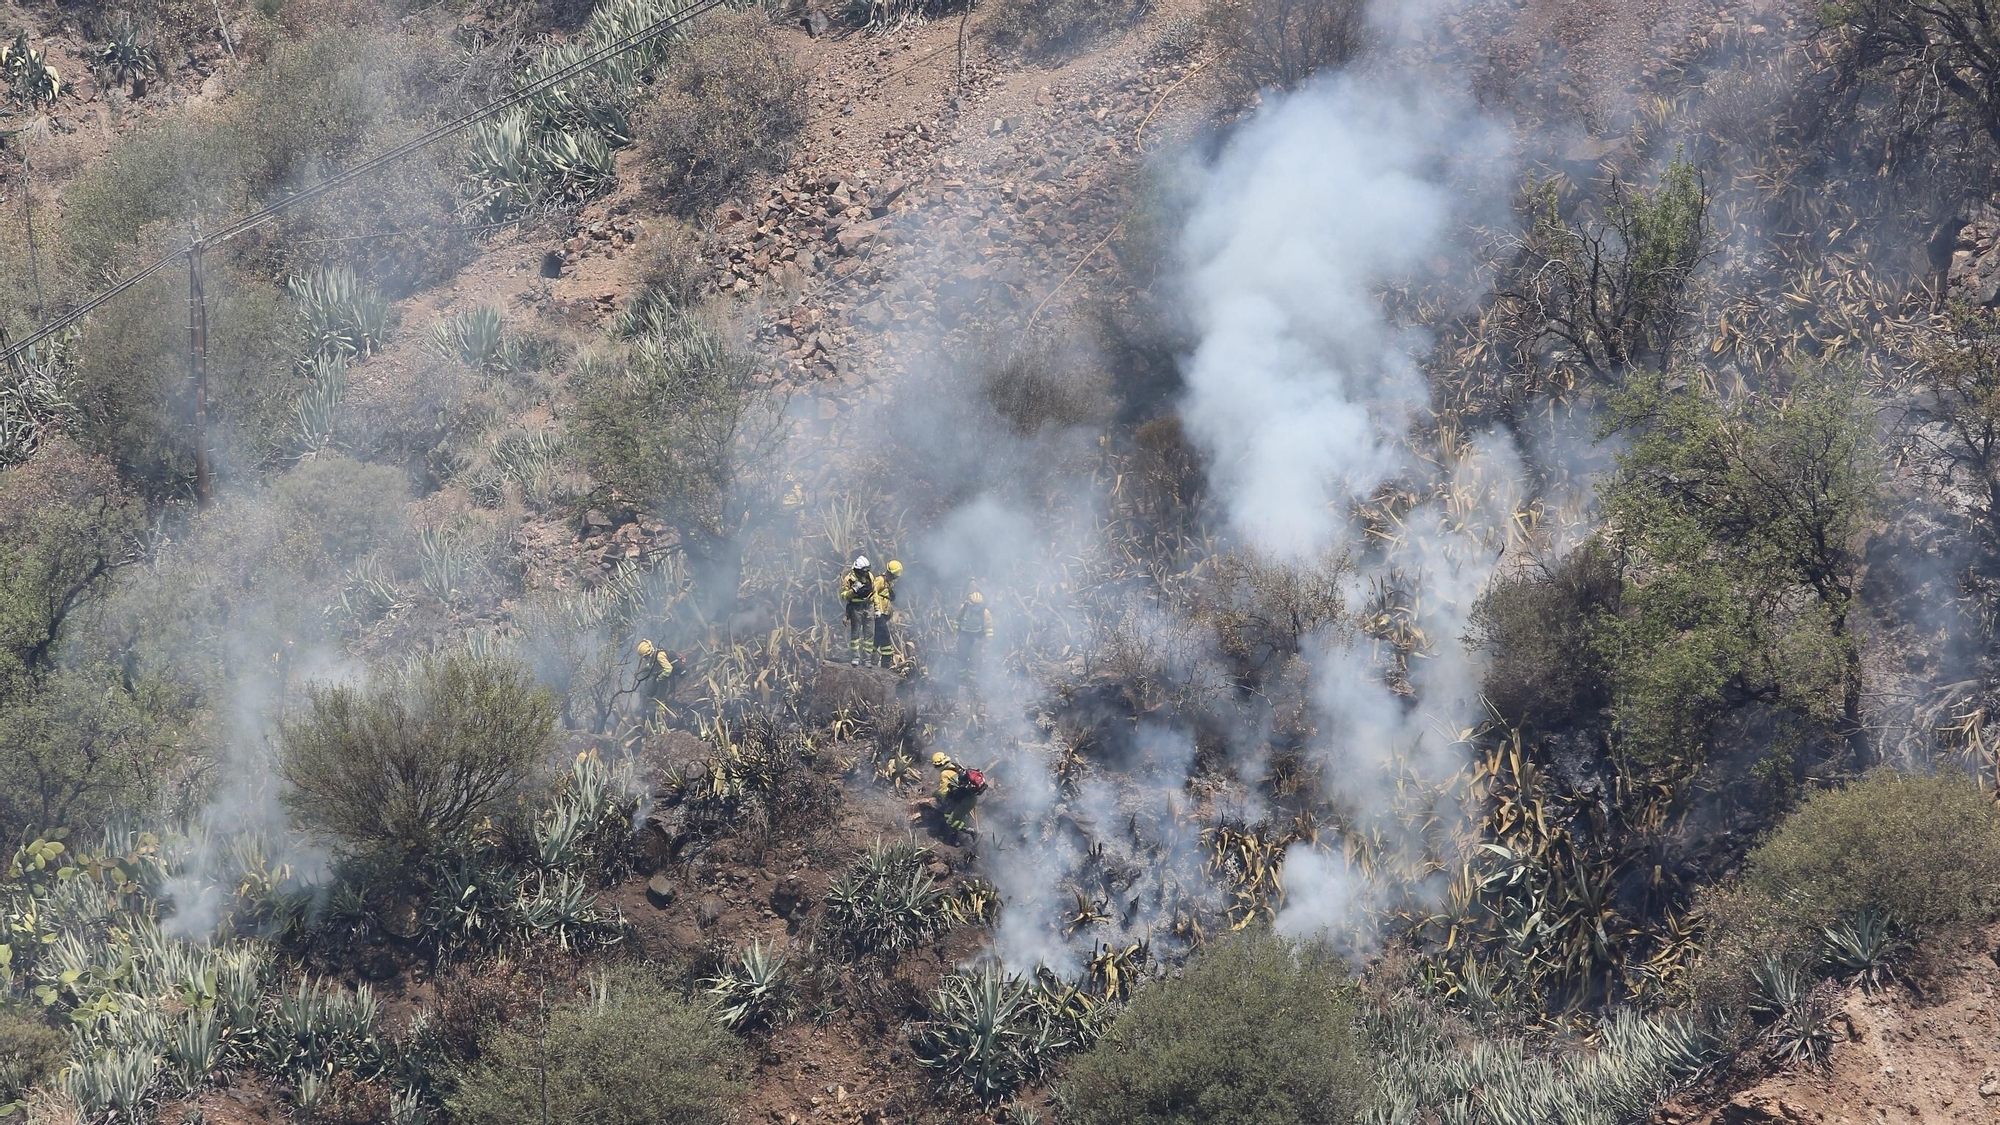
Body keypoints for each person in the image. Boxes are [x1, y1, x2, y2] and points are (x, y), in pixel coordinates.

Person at [930, 750, 987, 838]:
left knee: (951, 821)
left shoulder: (945, 773)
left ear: (938, 765)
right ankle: (955, 832)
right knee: (947, 813)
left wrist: (940, 796)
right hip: (968, 796)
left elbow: (943, 791)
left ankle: (972, 832)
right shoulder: (956, 765)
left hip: (966, 801)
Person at [840, 555, 874, 665]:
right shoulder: (849, 579)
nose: (866, 573)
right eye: (864, 571)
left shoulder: (870, 576)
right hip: (856, 609)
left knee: (869, 634)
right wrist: (853, 590)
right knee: (855, 634)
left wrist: (876, 607)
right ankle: (855, 657)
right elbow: (843, 596)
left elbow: (874, 592)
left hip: (868, 607)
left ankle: (867, 659)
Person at [872, 560, 903, 669]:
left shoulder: (889, 584)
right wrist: (877, 609)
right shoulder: (880, 580)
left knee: (877, 638)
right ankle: (885, 663)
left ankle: (869, 659)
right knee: (885, 637)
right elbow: (872, 592)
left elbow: (890, 598)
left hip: (883, 615)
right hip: (878, 614)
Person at [954, 589, 992, 673]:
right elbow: (956, 621)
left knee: (974, 660)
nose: (976, 608)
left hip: (976, 638)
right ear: (969, 603)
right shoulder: (963, 608)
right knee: (961, 657)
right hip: (964, 636)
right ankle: (961, 677)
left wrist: (988, 642)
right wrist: (955, 633)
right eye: (974, 605)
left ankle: (971, 679)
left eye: (978, 605)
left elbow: (988, 628)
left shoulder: (985, 613)